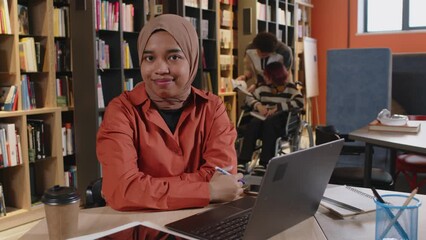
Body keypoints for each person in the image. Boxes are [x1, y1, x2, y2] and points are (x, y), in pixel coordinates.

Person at [96, 14, 244, 211]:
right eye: (149, 58)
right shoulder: (121, 111)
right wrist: (208, 191)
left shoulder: (212, 107)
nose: (160, 69)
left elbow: (224, 177)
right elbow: (122, 190)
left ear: (191, 59)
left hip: (201, 221)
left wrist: (147, 188)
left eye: (173, 57)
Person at [238, 62, 304, 173]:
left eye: (267, 75)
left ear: (275, 76)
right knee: (253, 123)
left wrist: (278, 107)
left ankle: (264, 163)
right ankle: (243, 160)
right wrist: (258, 106)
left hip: (280, 121)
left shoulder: (290, 88)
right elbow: (249, 98)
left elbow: (299, 102)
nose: (264, 77)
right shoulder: (262, 87)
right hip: (262, 118)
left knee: (270, 123)